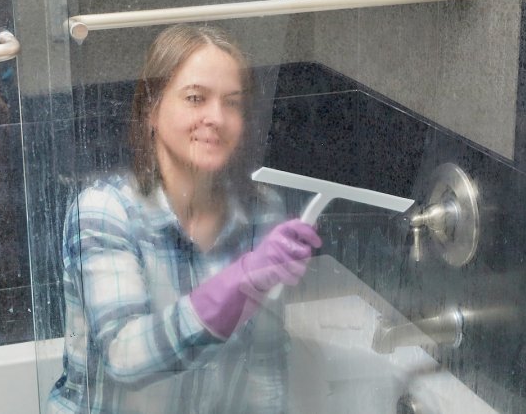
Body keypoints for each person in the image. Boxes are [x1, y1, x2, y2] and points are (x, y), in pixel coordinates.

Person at [47, 24, 322, 414]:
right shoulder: (104, 211)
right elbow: (126, 360)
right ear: (151, 111)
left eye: (232, 102)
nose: (216, 117)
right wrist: (237, 284)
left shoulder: (264, 212)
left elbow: (263, 364)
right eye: (196, 98)